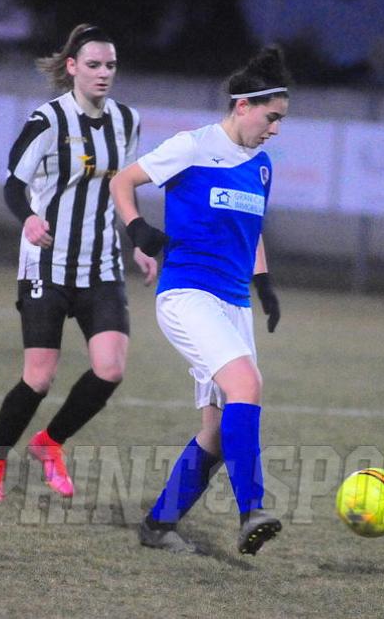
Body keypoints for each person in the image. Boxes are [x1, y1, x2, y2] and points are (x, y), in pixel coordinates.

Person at [109, 46, 290, 555]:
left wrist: (263, 283)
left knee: (215, 432)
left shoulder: (261, 167)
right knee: (247, 384)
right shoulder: (192, 146)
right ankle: (252, 510)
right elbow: (123, 181)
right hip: (188, 295)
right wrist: (138, 228)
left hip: (234, 304)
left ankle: (157, 525)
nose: (275, 129)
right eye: (271, 117)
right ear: (243, 106)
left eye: (281, 120)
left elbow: (251, 229)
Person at [0, 24, 157, 502]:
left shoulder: (127, 120)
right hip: (47, 264)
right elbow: (13, 185)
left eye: (110, 65)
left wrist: (137, 239)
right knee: (39, 377)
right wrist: (30, 218)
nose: (103, 73)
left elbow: (124, 186)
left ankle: (49, 443)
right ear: (72, 67)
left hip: (101, 265)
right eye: (93, 65)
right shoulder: (48, 119)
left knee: (110, 369)